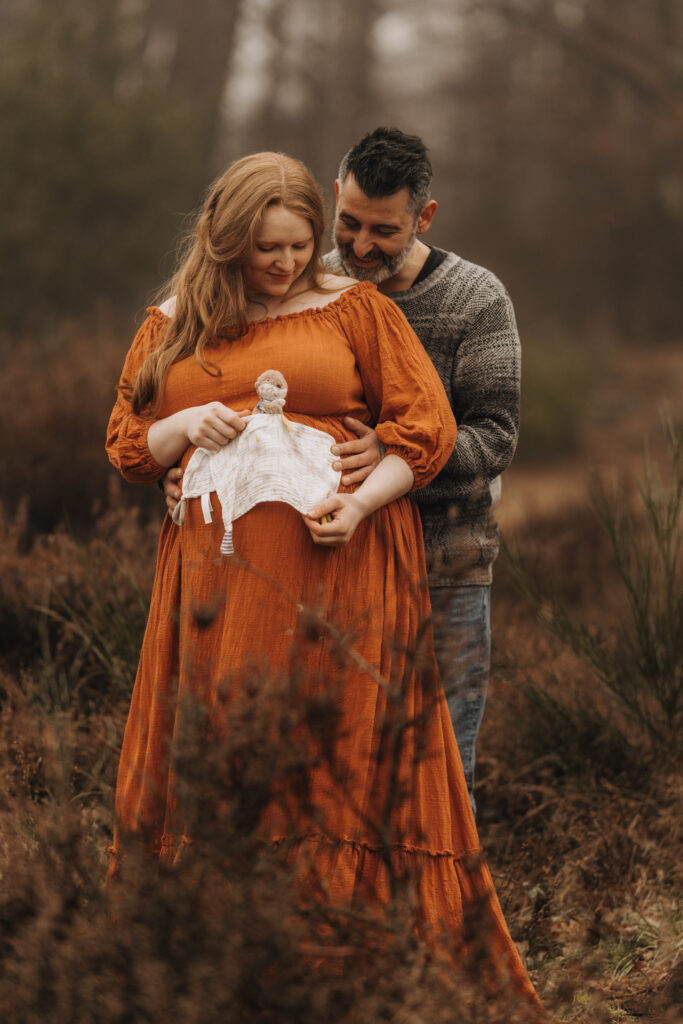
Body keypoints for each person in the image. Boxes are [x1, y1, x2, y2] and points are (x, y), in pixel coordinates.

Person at [107, 151, 541, 1008]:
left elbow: (425, 429)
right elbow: (127, 442)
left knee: (329, 757)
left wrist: (362, 502)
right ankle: (219, 968)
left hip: (337, 566)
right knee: (227, 750)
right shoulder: (173, 322)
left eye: (299, 246)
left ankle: (348, 971)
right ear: (225, 240)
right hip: (211, 587)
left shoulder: (353, 307)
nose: (284, 263)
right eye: (265, 248)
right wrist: (184, 425)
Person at [163, 128, 520, 815]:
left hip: (444, 563)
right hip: (330, 566)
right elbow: (242, 398)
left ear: (424, 217)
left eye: (384, 231)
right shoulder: (304, 281)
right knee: (335, 765)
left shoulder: (475, 299)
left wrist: (392, 455)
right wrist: (182, 468)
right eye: (349, 223)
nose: (359, 246)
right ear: (333, 198)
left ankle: (443, 888)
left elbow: (495, 437)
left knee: (440, 769)